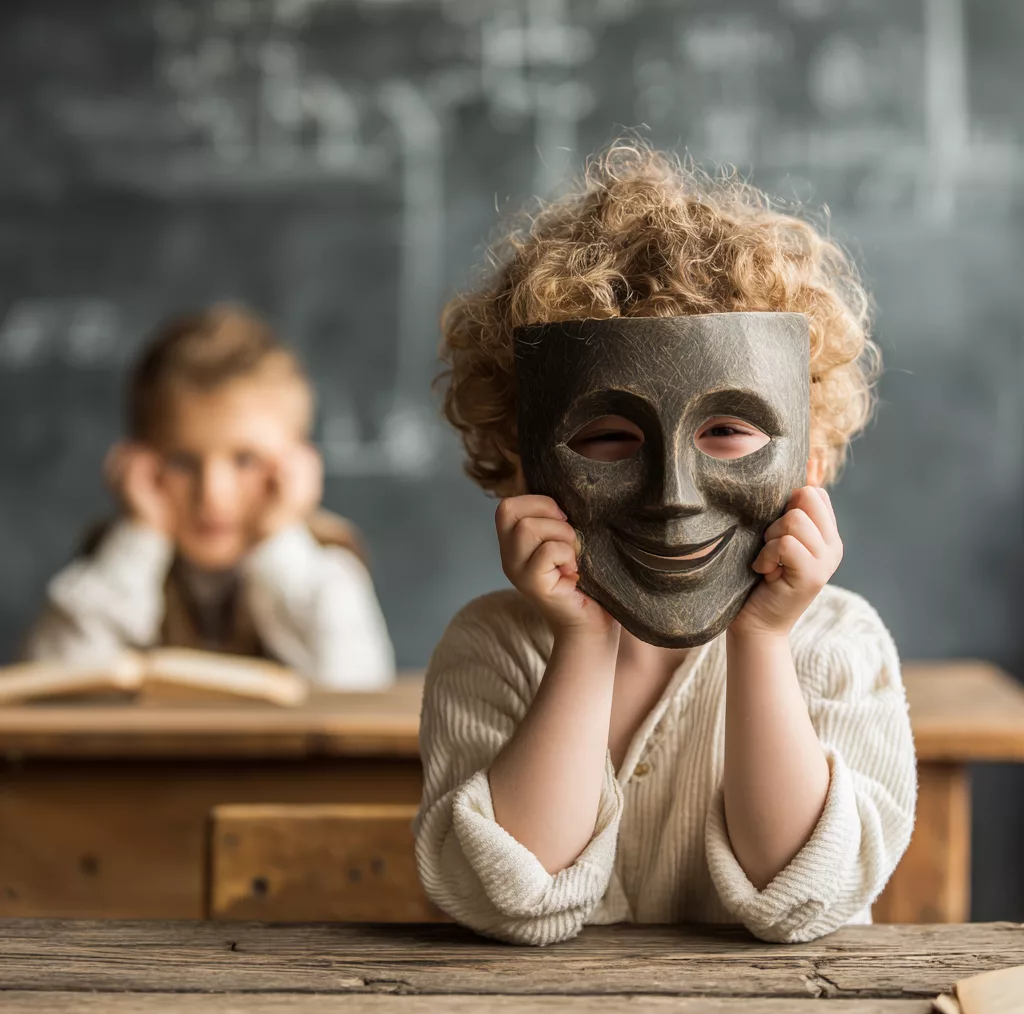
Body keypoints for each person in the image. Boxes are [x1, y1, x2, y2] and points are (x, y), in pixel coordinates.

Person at [413, 143, 916, 944]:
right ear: (518, 456)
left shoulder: (838, 646)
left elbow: (801, 900)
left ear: (812, 453)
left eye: (728, 430)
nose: (674, 496)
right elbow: (507, 898)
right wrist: (581, 640)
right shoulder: (494, 648)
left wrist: (762, 638)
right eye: (609, 436)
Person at [25, 304, 395, 690]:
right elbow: (51, 686)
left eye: (245, 460)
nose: (213, 495)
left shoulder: (324, 570)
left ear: (298, 466)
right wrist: (140, 538)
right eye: (182, 462)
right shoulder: (115, 566)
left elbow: (355, 686)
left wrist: (276, 539)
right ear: (139, 464)